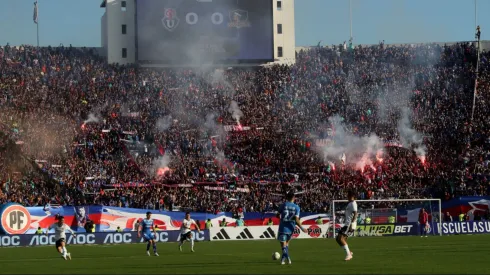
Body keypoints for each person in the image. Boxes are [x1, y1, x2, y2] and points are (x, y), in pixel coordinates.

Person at [276, 191, 307, 265]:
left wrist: (280, 218)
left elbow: (277, 215)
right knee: (286, 244)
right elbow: (296, 219)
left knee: (283, 246)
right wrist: (302, 228)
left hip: (283, 227)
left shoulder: (283, 205)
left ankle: (288, 257)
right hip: (291, 228)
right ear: (294, 198)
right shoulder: (297, 207)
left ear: (287, 197)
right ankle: (283, 259)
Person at [336, 190, 357, 261]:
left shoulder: (353, 203)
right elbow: (349, 214)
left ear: (351, 196)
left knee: (341, 238)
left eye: (348, 195)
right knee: (338, 239)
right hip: (347, 224)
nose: (347, 196)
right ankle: (349, 252)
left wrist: (352, 223)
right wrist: (340, 214)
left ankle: (348, 254)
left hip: (349, 224)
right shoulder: (350, 203)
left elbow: (355, 213)